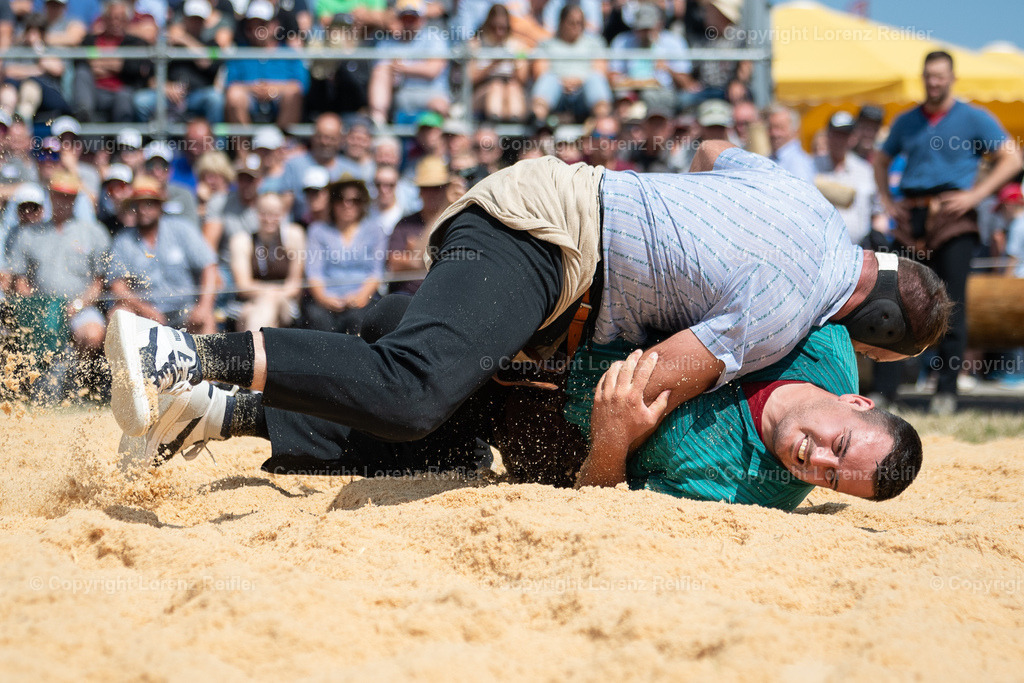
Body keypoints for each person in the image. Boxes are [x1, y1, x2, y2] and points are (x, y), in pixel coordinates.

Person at [106, 142, 951, 472]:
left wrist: (685, 240)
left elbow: (707, 150)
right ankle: (185, 353)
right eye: (869, 355)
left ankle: (211, 411)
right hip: (550, 240)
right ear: (873, 335)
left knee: (442, 392)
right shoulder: (791, 310)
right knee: (416, 390)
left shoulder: (802, 195)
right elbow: (644, 381)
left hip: (563, 236)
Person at [872, 51, 1023, 415]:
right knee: (895, 304)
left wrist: (976, 195)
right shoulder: (907, 120)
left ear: (952, 77)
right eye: (928, 76)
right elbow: (880, 159)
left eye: (939, 76)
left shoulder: (973, 118)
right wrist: (886, 202)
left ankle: (947, 392)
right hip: (911, 220)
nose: (933, 82)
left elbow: (1012, 158)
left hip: (955, 220)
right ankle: (886, 393)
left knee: (952, 306)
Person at [6, 172, 109, 355]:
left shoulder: (94, 232)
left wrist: (77, 305)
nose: (63, 201)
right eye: (58, 195)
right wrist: (40, 307)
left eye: (68, 196)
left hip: (80, 308)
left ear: (75, 198)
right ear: (50, 196)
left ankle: (80, 377)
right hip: (39, 308)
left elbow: (98, 281)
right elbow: (20, 280)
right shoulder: (29, 234)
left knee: (93, 334)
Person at [106, 176, 218, 333]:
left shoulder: (182, 229)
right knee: (119, 315)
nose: (143, 209)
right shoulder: (123, 241)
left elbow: (209, 266)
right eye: (138, 204)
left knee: (206, 318)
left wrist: (204, 306)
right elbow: (117, 285)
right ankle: (124, 358)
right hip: (142, 312)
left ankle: (210, 357)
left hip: (184, 309)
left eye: (149, 203)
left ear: (160, 206)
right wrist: (144, 309)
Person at [302, 176, 385, 333]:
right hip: (325, 300)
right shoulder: (318, 231)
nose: (348, 205)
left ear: (363, 203)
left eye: (355, 200)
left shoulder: (375, 231)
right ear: (333, 203)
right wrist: (324, 299)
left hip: (362, 298)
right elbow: (314, 271)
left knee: (359, 319)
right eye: (341, 199)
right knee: (317, 319)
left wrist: (360, 297)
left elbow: (376, 272)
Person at [224, 0, 308, 127]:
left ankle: (281, 143)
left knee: (293, 93)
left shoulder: (289, 53)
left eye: (262, 25)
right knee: (234, 95)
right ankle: (243, 146)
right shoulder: (240, 52)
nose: (257, 30)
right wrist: (255, 89)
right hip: (249, 100)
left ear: (274, 26)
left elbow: (302, 85)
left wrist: (273, 89)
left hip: (280, 101)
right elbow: (230, 84)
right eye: (252, 26)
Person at [229, 192, 304, 332]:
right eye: (264, 213)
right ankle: (263, 351)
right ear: (256, 213)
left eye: (275, 214)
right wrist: (269, 293)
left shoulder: (294, 237)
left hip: (285, 301)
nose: (269, 219)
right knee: (253, 312)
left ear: (283, 214)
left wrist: (270, 294)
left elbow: (294, 285)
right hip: (251, 302)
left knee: (260, 310)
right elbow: (243, 286)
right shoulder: (242, 241)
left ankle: (253, 351)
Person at [607, 3, 698, 116]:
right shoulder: (621, 41)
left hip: (665, 93)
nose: (645, 33)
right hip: (629, 93)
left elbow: (687, 84)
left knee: (651, 97)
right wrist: (625, 81)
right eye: (641, 29)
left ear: (660, 24)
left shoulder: (674, 42)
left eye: (649, 28)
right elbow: (612, 75)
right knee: (623, 101)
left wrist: (668, 68)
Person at [367, 0, 449, 125]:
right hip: (400, 94)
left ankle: (443, 138)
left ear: (422, 19)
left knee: (440, 105)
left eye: (413, 18)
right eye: (405, 18)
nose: (409, 22)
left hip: (430, 93)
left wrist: (401, 68)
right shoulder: (387, 42)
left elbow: (432, 70)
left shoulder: (435, 37)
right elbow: (382, 71)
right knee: (381, 71)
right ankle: (378, 123)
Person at [530, 4, 611, 124]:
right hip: (557, 92)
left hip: (584, 93)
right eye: (571, 23)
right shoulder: (547, 44)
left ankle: (603, 126)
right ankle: (539, 125)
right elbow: (540, 72)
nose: (576, 27)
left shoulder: (595, 44)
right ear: (562, 22)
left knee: (596, 80)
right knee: (547, 79)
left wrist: (577, 81)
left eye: (579, 23)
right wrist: (563, 82)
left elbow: (601, 71)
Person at [73, 0, 150, 122]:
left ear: (127, 20)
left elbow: (134, 67)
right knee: (81, 74)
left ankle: (123, 138)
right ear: (104, 19)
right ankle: (83, 118)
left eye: (121, 18)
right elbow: (81, 63)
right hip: (95, 91)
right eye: (112, 18)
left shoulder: (135, 42)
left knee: (124, 97)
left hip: (121, 92)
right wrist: (117, 64)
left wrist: (100, 62)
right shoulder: (89, 40)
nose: (116, 22)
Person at [813, 111, 881, 247]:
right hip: (821, 248)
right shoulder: (812, 167)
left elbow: (877, 212)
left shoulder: (865, 171)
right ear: (828, 136)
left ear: (853, 138)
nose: (840, 140)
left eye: (845, 135)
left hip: (859, 249)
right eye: (836, 134)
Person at [386, 156, 450, 295]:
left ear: (446, 190)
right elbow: (394, 263)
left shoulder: (454, 222)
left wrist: (413, 251)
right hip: (409, 296)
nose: (431, 193)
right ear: (419, 191)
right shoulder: (405, 224)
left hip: (444, 293)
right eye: (426, 188)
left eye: (437, 188)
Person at [469, 3, 529, 123]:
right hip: (482, 92)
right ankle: (495, 123)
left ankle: (513, 127)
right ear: (487, 25)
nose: (499, 32)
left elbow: (523, 80)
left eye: (503, 28)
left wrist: (515, 63)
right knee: (496, 87)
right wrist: (493, 64)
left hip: (511, 89)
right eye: (494, 27)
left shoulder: (517, 46)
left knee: (512, 88)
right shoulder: (476, 45)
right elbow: (470, 78)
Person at [765, 103, 815, 183]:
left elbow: (802, 193)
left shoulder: (798, 163)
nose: (774, 133)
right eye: (770, 128)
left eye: (780, 128)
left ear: (794, 131)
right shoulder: (772, 158)